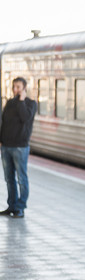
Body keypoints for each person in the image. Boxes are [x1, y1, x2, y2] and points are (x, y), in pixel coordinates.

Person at [0, 77, 37, 218]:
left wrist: (21, 101)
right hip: (6, 147)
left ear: (24, 88)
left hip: (20, 147)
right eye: (14, 87)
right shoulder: (9, 103)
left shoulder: (30, 104)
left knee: (22, 178)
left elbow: (25, 118)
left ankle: (20, 208)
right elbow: (4, 122)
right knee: (9, 178)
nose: (15, 90)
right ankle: (12, 206)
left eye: (18, 87)